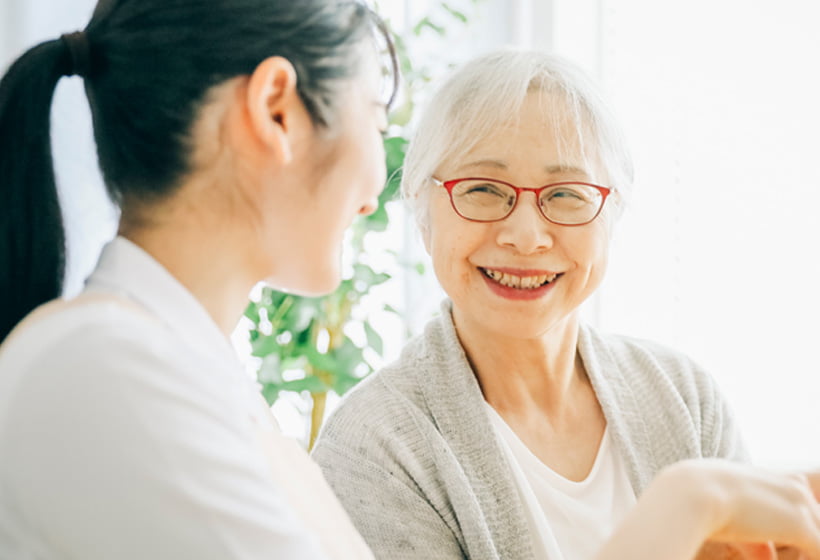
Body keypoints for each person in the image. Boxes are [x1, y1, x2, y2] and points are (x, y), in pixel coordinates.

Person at [311, 49, 820, 560]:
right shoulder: (373, 448)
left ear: (612, 215)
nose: (526, 236)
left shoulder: (685, 397)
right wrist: (680, 509)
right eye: (483, 189)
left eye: (566, 194)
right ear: (422, 212)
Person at [0, 0, 397, 558]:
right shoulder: (108, 369)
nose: (377, 190)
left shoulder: (172, 369)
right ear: (275, 109)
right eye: (378, 123)